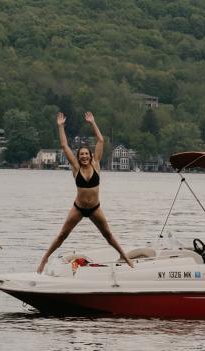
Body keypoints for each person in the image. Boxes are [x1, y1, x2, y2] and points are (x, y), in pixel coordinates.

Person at [37, 111, 134, 273]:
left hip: (95, 208)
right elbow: (64, 146)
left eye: (86, 154)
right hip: (78, 208)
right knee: (62, 235)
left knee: (108, 235)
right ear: (78, 157)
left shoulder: (96, 164)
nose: (83, 156)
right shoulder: (76, 168)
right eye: (81, 154)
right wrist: (60, 127)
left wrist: (93, 122)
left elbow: (101, 140)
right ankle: (44, 258)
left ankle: (125, 257)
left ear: (90, 156)